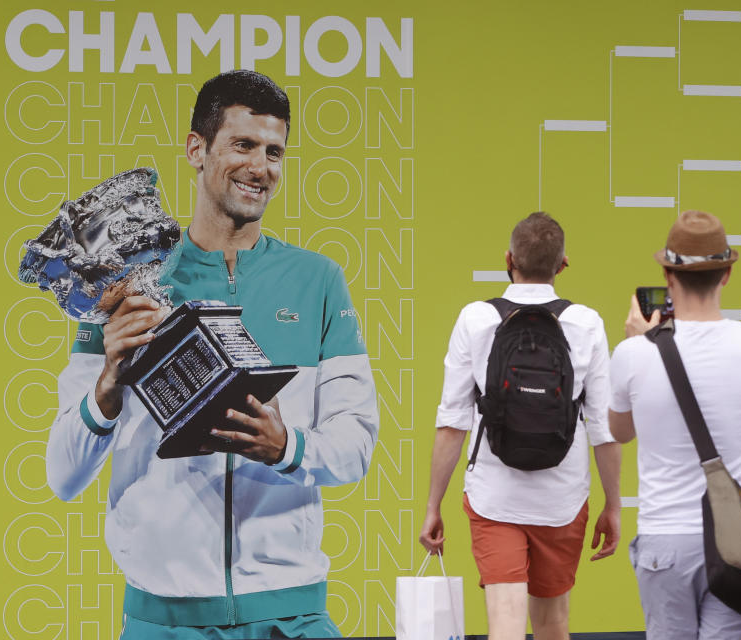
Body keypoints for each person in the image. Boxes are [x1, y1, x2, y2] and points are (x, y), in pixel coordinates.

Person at [46, 70, 379, 639]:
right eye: (243, 145)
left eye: (275, 152)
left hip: (290, 611)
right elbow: (63, 476)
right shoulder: (125, 283)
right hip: (164, 618)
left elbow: (356, 447)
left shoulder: (318, 280)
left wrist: (287, 448)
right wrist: (106, 385)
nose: (261, 168)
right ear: (196, 150)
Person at [419, 212, 622, 640]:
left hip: (494, 498)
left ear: (508, 259)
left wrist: (433, 506)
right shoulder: (586, 323)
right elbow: (603, 427)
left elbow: (452, 422)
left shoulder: (476, 319)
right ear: (562, 265)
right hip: (563, 500)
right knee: (553, 624)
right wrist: (613, 505)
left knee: (505, 625)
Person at [608, 210, 741, 640]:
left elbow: (620, 431)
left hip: (665, 539)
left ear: (667, 276)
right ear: (726, 274)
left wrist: (642, 343)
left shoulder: (633, 354)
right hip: (738, 541)